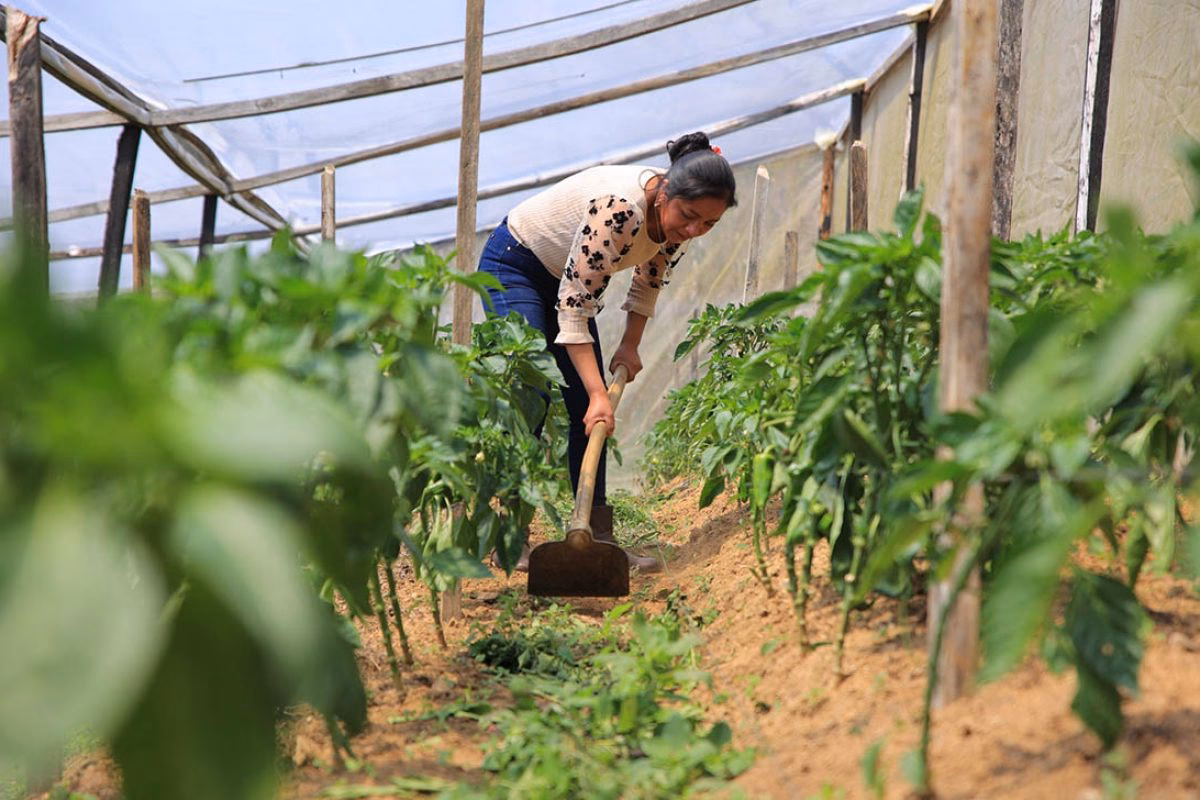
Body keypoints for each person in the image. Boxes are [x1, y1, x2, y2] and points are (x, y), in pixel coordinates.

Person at [478, 131, 737, 572]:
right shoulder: (619, 209)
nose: (694, 230)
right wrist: (601, 393)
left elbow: (648, 281)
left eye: (708, 224)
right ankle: (507, 537)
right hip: (517, 262)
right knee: (530, 395)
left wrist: (630, 346)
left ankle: (597, 537)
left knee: (584, 403)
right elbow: (575, 309)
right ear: (665, 193)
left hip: (567, 281)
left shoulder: (679, 220)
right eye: (690, 217)